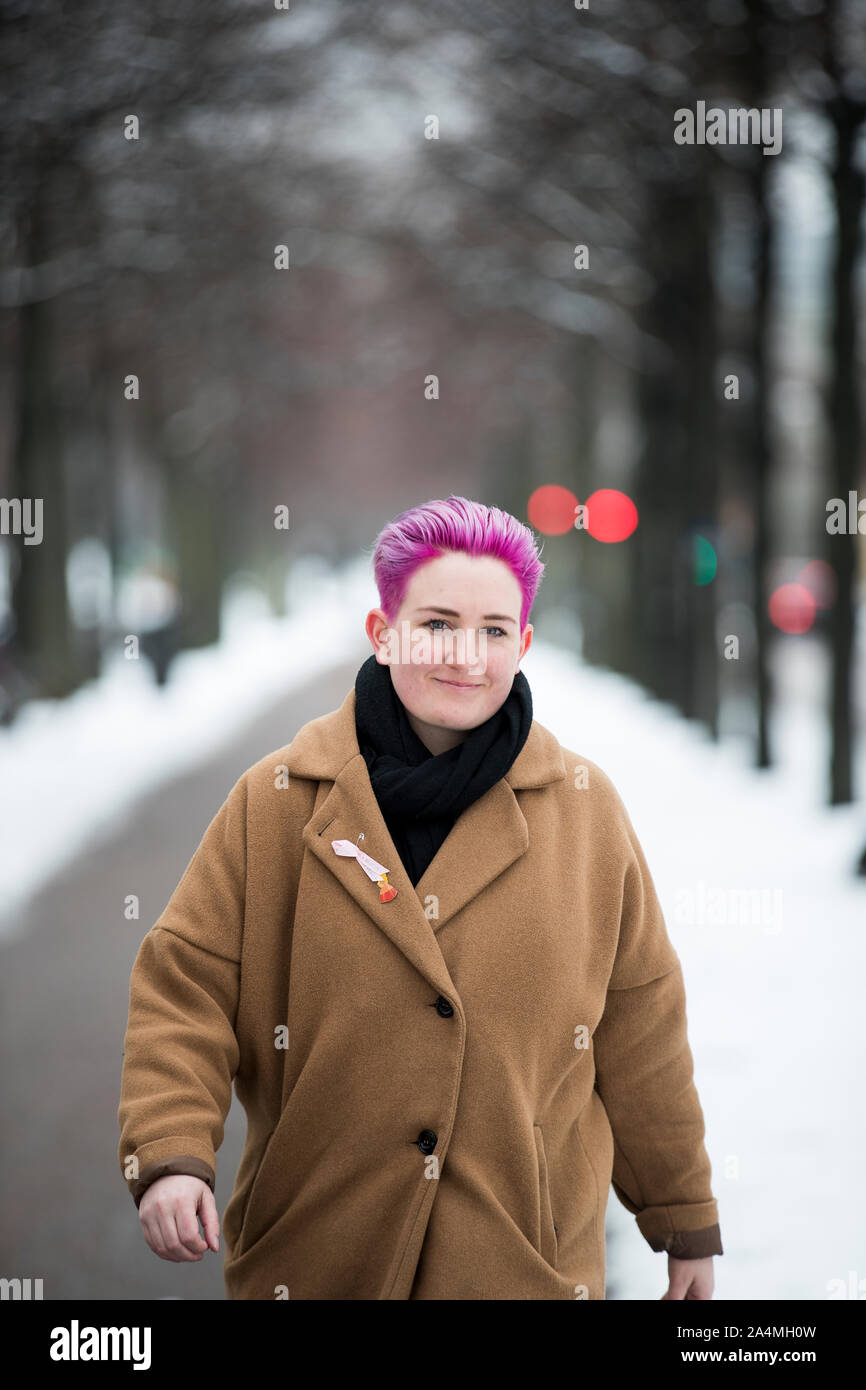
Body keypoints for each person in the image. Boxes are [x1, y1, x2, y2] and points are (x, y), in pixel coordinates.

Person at [118, 494, 723, 1300]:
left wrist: (682, 1215)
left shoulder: (586, 810)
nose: (465, 656)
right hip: (317, 1258)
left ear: (526, 644)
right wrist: (169, 1153)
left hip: (523, 1263)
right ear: (383, 632)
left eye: (494, 630)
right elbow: (183, 988)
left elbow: (641, 1028)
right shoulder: (277, 801)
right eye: (436, 623)